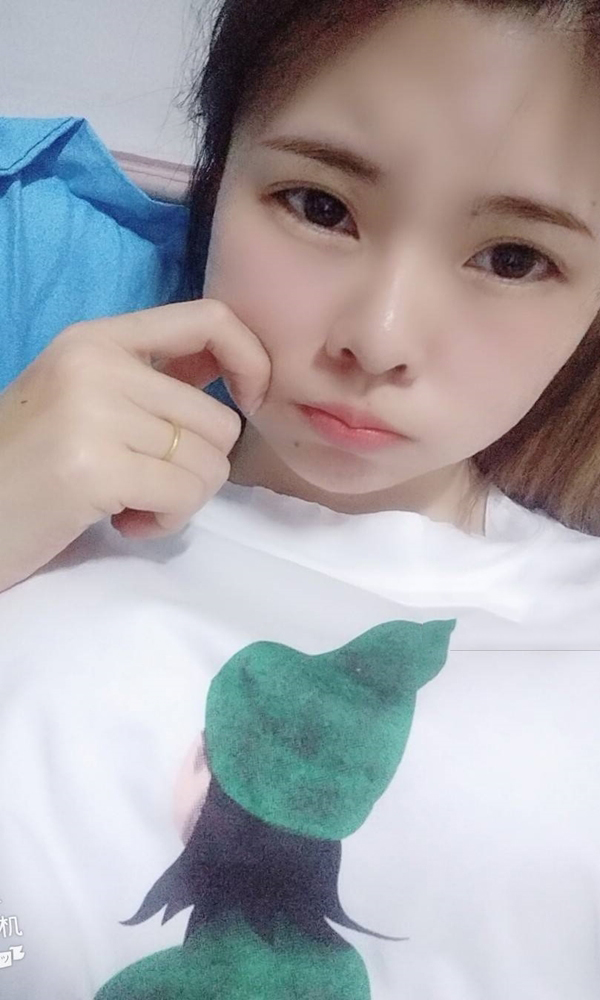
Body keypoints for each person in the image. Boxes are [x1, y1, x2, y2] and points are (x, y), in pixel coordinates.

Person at [1, 0, 600, 997]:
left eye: (513, 259)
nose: (380, 336)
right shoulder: (45, 490)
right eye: (320, 206)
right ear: (220, 174)